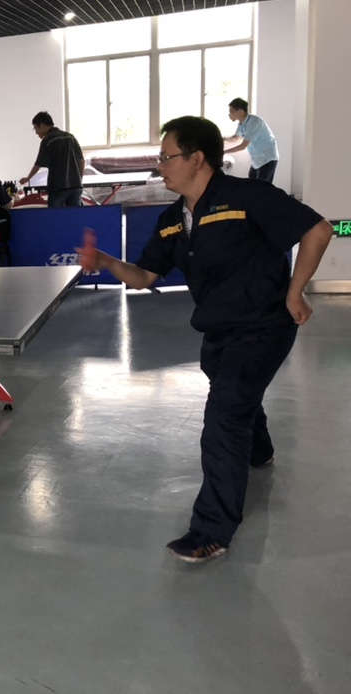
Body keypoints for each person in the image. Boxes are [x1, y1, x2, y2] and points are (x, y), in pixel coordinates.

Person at [76, 116, 332, 564]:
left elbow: (318, 230)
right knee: (236, 397)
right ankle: (261, 452)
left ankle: (212, 530)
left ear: (197, 159)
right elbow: (145, 276)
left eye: (166, 156)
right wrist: (107, 261)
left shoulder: (248, 197)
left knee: (224, 417)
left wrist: (296, 291)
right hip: (217, 330)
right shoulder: (173, 220)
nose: (159, 166)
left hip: (264, 326)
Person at [19, 111, 85, 208]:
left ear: (42, 125)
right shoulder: (71, 137)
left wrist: (28, 178)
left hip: (58, 187)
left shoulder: (47, 140)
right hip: (76, 187)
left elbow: (38, 164)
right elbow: (82, 161)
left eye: (35, 128)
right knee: (75, 215)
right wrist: (79, 180)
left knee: (54, 215)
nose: (36, 132)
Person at [224, 98, 279, 183]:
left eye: (231, 111)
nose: (229, 114)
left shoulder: (255, 122)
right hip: (257, 160)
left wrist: (224, 152)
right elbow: (235, 138)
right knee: (252, 182)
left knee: (263, 187)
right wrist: (221, 139)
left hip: (267, 158)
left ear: (240, 111)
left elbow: (243, 146)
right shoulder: (242, 123)